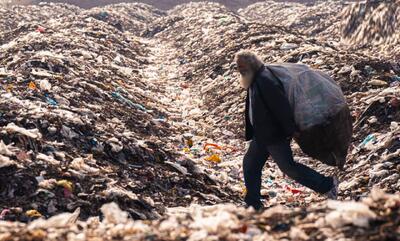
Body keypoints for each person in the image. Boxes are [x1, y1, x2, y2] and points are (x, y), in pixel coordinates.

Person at [235, 50, 338, 210]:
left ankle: (327, 185)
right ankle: (252, 202)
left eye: (242, 65)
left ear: (252, 64)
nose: (239, 69)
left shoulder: (265, 80)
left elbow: (281, 107)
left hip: (274, 135)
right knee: (250, 164)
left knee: (288, 167)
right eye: (238, 66)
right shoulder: (255, 79)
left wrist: (290, 129)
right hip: (263, 135)